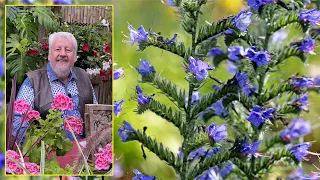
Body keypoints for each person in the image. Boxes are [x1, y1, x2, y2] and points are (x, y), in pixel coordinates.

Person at [12, 32, 97, 143]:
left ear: (75, 57)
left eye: (68, 50)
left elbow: (96, 115)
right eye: (57, 49)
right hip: (47, 154)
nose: (62, 54)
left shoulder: (83, 77)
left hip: (83, 153)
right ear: (49, 55)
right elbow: (18, 123)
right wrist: (39, 148)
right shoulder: (33, 81)